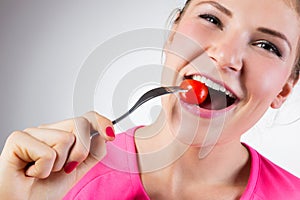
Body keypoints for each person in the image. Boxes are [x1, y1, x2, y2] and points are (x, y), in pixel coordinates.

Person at [1, 0, 300, 199]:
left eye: (267, 46)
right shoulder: (59, 174)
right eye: (211, 18)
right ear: (173, 34)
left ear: (284, 90)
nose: (224, 57)